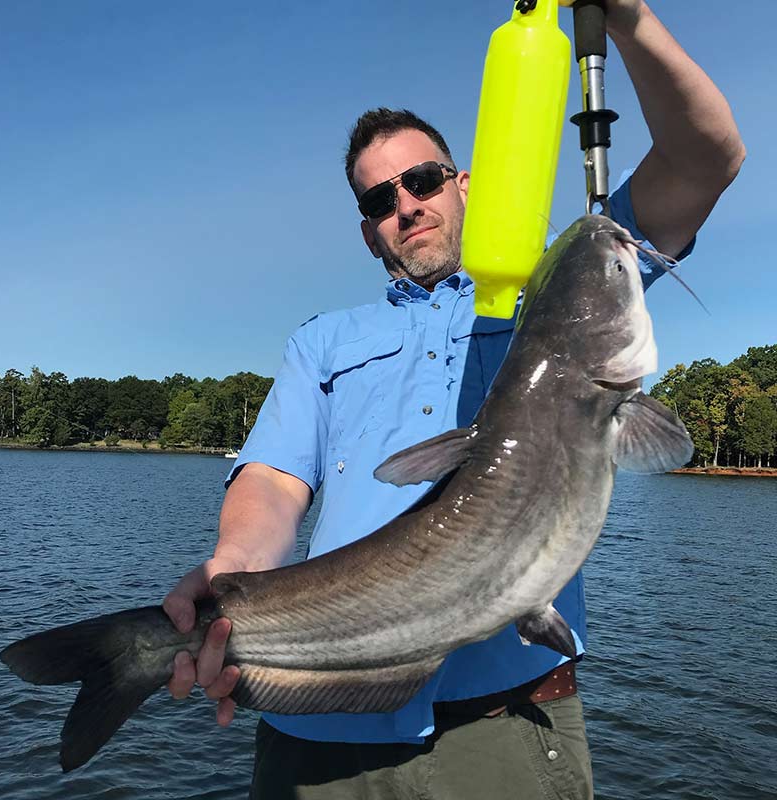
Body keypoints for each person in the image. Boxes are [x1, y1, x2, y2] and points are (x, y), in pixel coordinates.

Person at [163, 2, 744, 797]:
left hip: (502, 726)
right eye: (379, 200)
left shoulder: (557, 286)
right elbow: (272, 478)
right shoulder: (323, 341)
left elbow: (705, 155)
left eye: (423, 180)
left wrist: (629, 20)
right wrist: (233, 566)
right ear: (369, 230)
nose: (405, 205)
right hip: (318, 730)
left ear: (463, 184)